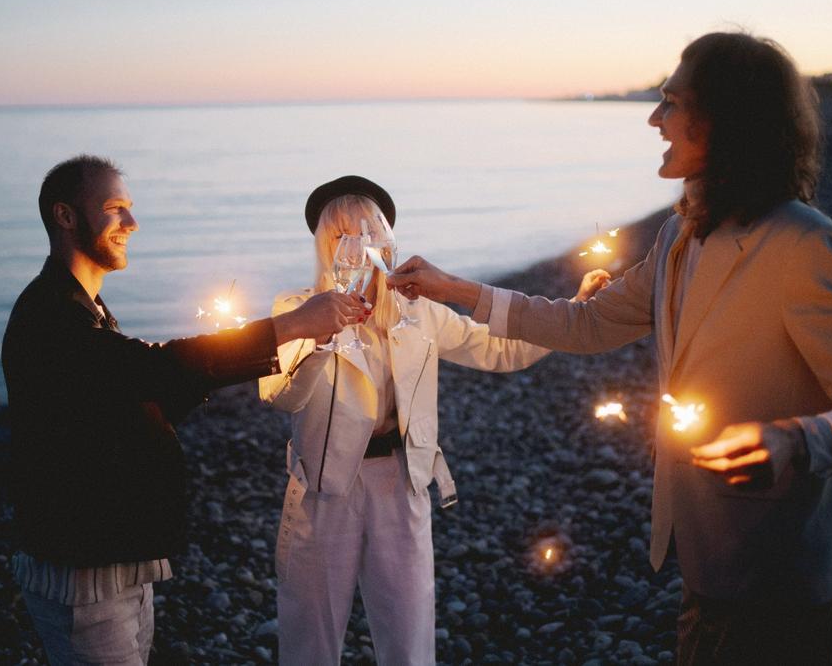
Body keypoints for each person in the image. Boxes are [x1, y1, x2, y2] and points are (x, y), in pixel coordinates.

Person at [388, 33, 832, 664]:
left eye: (672, 102)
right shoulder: (679, 234)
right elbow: (587, 323)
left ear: (725, 119)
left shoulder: (802, 245)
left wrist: (799, 441)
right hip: (704, 561)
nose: (654, 118)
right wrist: (455, 289)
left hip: (779, 580)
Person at [1, 155, 366, 666]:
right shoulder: (49, 315)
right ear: (65, 216)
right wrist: (288, 326)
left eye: (129, 208)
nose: (132, 222)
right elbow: (151, 369)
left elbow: (139, 398)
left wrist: (212, 366)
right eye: (114, 208)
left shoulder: (87, 308)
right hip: (81, 573)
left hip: (118, 559)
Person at [259, 175, 608, 665]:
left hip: (402, 478)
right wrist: (317, 336)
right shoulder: (296, 309)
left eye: (370, 231)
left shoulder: (417, 311)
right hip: (323, 486)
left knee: (409, 631)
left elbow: (498, 349)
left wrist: (572, 311)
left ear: (388, 239)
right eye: (343, 235)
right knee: (309, 635)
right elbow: (281, 396)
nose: (359, 245)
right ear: (325, 246)